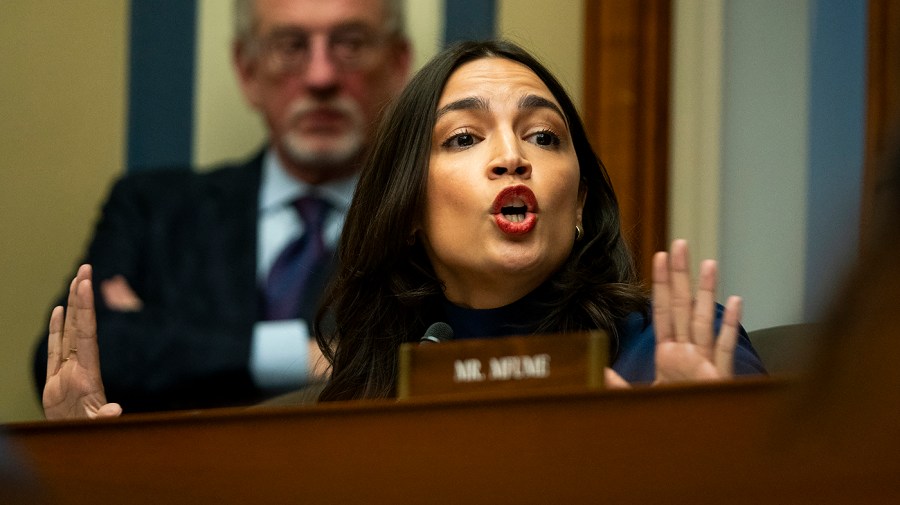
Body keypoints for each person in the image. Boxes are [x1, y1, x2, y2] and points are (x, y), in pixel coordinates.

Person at [41, 40, 764, 419]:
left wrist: (706, 445)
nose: (512, 156)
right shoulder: (369, 390)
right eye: (462, 139)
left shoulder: (667, 355)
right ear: (408, 214)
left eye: (544, 136)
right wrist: (96, 472)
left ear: (578, 206)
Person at [32, 0, 412, 412]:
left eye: (350, 45)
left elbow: (424, 367)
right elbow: (67, 362)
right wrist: (305, 355)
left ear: (397, 63)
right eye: (290, 46)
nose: (321, 76)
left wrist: (168, 334)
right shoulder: (153, 210)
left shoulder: (428, 221)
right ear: (248, 72)